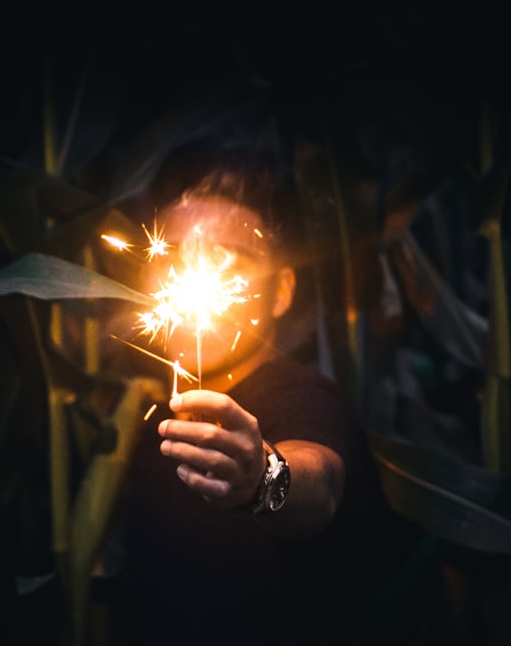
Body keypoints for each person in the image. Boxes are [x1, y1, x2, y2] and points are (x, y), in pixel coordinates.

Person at [104, 142, 405, 645]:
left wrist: (262, 480)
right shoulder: (146, 409)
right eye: (177, 254)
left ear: (281, 290)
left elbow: (320, 483)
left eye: (231, 259)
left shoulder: (302, 396)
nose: (197, 274)